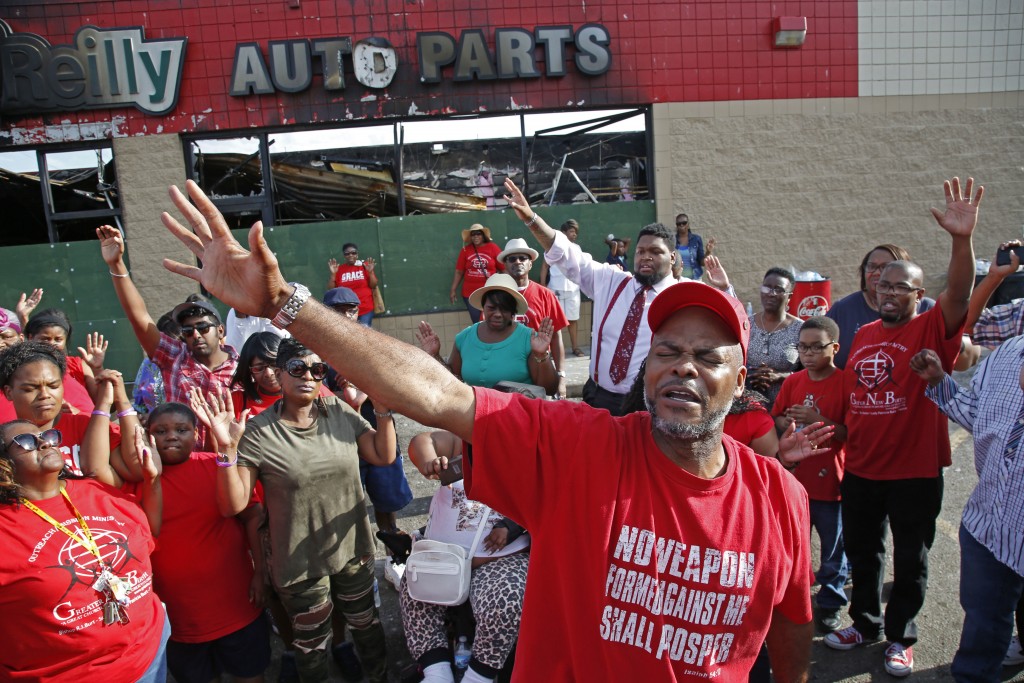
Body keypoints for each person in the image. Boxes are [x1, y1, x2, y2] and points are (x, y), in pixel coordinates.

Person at [156, 177, 833, 681]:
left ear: (740, 381)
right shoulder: (579, 446)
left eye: (707, 356)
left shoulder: (779, 499)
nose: (683, 367)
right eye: (667, 351)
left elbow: (792, 627)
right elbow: (438, 393)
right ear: (645, 369)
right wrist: (286, 304)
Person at [823, 177, 982, 679]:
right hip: (864, 468)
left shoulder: (933, 324)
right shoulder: (865, 332)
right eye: (882, 284)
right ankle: (864, 624)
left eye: (900, 286)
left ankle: (900, 637)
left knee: (911, 559)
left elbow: (959, 290)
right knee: (863, 554)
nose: (888, 292)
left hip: (914, 470)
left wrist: (961, 239)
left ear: (918, 293)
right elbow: (852, 395)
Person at [211, 338, 395, 682]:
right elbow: (233, 504)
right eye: (297, 368)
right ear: (279, 375)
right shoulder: (258, 431)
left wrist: (382, 410)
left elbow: (381, 455)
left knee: (366, 626)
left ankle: (379, 675)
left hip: (352, 550)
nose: (308, 376)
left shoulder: (338, 412)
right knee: (311, 645)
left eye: (317, 369)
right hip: (298, 562)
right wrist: (226, 451)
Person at [83, 397, 271, 683]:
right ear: (148, 435)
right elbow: (95, 469)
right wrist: (113, 402)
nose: (171, 436)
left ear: (196, 435)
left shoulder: (216, 464)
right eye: (161, 431)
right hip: (180, 618)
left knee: (249, 675)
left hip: (237, 605)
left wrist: (260, 572)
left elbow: (252, 517)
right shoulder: (136, 480)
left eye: (181, 430)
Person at [506, 180, 731, 415]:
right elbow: (565, 252)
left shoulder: (682, 295)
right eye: (641, 251)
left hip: (647, 404)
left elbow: (726, 325)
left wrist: (725, 290)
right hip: (598, 397)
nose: (646, 257)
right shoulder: (610, 281)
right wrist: (531, 218)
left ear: (672, 257)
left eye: (655, 252)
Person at [0, 410, 167, 681]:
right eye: (26, 442)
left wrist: (153, 481)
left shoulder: (98, 491)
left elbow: (148, 536)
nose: (45, 443)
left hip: (149, 655)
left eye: (49, 436)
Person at [909, 339, 1024, 682]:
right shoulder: (1008, 352)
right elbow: (978, 416)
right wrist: (938, 380)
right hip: (988, 524)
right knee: (984, 621)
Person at [402, 430, 530, 683]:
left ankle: (479, 676)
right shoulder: (465, 441)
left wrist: (511, 526)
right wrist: (430, 462)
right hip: (443, 556)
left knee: (506, 601)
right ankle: (436, 671)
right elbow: (422, 441)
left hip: (500, 559)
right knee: (413, 590)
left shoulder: (532, 455)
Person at [98, 224, 238, 446]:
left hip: (232, 462)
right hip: (184, 462)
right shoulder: (174, 357)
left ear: (220, 330)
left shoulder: (244, 367)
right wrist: (116, 264)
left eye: (203, 328)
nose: (195, 335)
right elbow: (139, 317)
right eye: (187, 330)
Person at [321, 287, 414, 591]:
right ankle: (357, 570)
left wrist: (368, 390)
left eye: (351, 309)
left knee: (387, 500)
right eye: (338, 309)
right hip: (339, 438)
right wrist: (343, 395)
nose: (346, 315)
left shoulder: (375, 343)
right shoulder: (316, 348)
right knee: (350, 504)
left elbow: (395, 383)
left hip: (378, 431)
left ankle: (395, 559)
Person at [771, 316, 849, 634]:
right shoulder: (793, 381)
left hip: (830, 484)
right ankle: (792, 600)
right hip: (796, 483)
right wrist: (788, 426)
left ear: (834, 347)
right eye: (802, 347)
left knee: (833, 550)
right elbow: (776, 416)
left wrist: (818, 419)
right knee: (794, 546)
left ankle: (830, 603)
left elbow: (849, 433)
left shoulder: (847, 382)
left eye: (816, 347)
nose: (808, 353)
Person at [0, 341, 139, 479]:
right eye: (30, 389)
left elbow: (137, 468)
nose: (45, 395)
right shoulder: (5, 441)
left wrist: (122, 401)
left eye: (53, 386)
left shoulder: (89, 425)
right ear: (8, 392)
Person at [422, 274, 558, 395]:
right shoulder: (464, 338)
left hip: (517, 419)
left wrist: (542, 356)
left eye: (504, 309)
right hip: (477, 419)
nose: (498, 314)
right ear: (483, 307)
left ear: (513, 311)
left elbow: (549, 389)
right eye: (491, 308)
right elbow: (452, 380)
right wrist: (435, 356)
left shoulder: (528, 339)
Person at [826, 244, 936, 369]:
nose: (877, 273)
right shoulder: (843, 310)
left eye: (886, 267)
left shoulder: (927, 309)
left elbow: (961, 358)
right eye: (871, 266)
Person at [497, 238, 569, 397]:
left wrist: (561, 377)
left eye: (523, 258)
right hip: (506, 372)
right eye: (512, 259)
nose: (518, 262)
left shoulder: (546, 295)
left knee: (542, 419)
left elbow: (556, 338)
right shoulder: (495, 296)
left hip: (541, 368)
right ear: (505, 264)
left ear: (530, 263)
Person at [746, 268, 802, 411]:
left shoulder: (801, 329)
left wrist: (780, 376)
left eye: (778, 289)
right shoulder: (747, 325)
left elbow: (812, 372)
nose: (771, 294)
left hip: (786, 409)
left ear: (789, 297)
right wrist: (752, 374)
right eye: (767, 287)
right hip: (749, 407)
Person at [23, 308, 100, 410]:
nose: (51, 344)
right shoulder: (23, 369)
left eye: (58, 339)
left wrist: (98, 368)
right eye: (45, 339)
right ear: (31, 337)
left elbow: (104, 404)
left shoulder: (77, 365)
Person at [540, 219, 585, 358]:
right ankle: (554, 350)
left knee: (572, 320)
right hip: (555, 289)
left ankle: (575, 347)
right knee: (553, 321)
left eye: (575, 232)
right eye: (571, 231)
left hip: (573, 289)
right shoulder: (552, 248)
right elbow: (545, 267)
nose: (574, 234)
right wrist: (543, 286)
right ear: (563, 233)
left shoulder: (577, 248)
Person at [450, 225, 504, 323]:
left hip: (490, 292)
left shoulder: (493, 247)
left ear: (483, 235)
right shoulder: (465, 250)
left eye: (478, 233)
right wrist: (453, 289)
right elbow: (459, 271)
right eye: (473, 234)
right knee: (477, 322)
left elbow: (504, 269)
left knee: (492, 319)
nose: (475, 236)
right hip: (470, 293)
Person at [328, 242, 379, 327]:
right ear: (344, 256)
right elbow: (331, 289)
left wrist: (370, 272)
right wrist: (333, 274)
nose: (350, 255)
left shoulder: (364, 266)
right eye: (347, 254)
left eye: (353, 253)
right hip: (347, 310)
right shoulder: (339, 269)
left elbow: (373, 285)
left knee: (364, 330)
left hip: (365, 307)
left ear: (357, 254)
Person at [674, 213, 715, 281]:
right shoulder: (673, 240)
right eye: (679, 223)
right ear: (676, 226)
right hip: (678, 279)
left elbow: (702, 263)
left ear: (688, 224)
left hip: (695, 279)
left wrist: (708, 252)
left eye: (684, 223)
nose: (681, 225)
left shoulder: (696, 239)